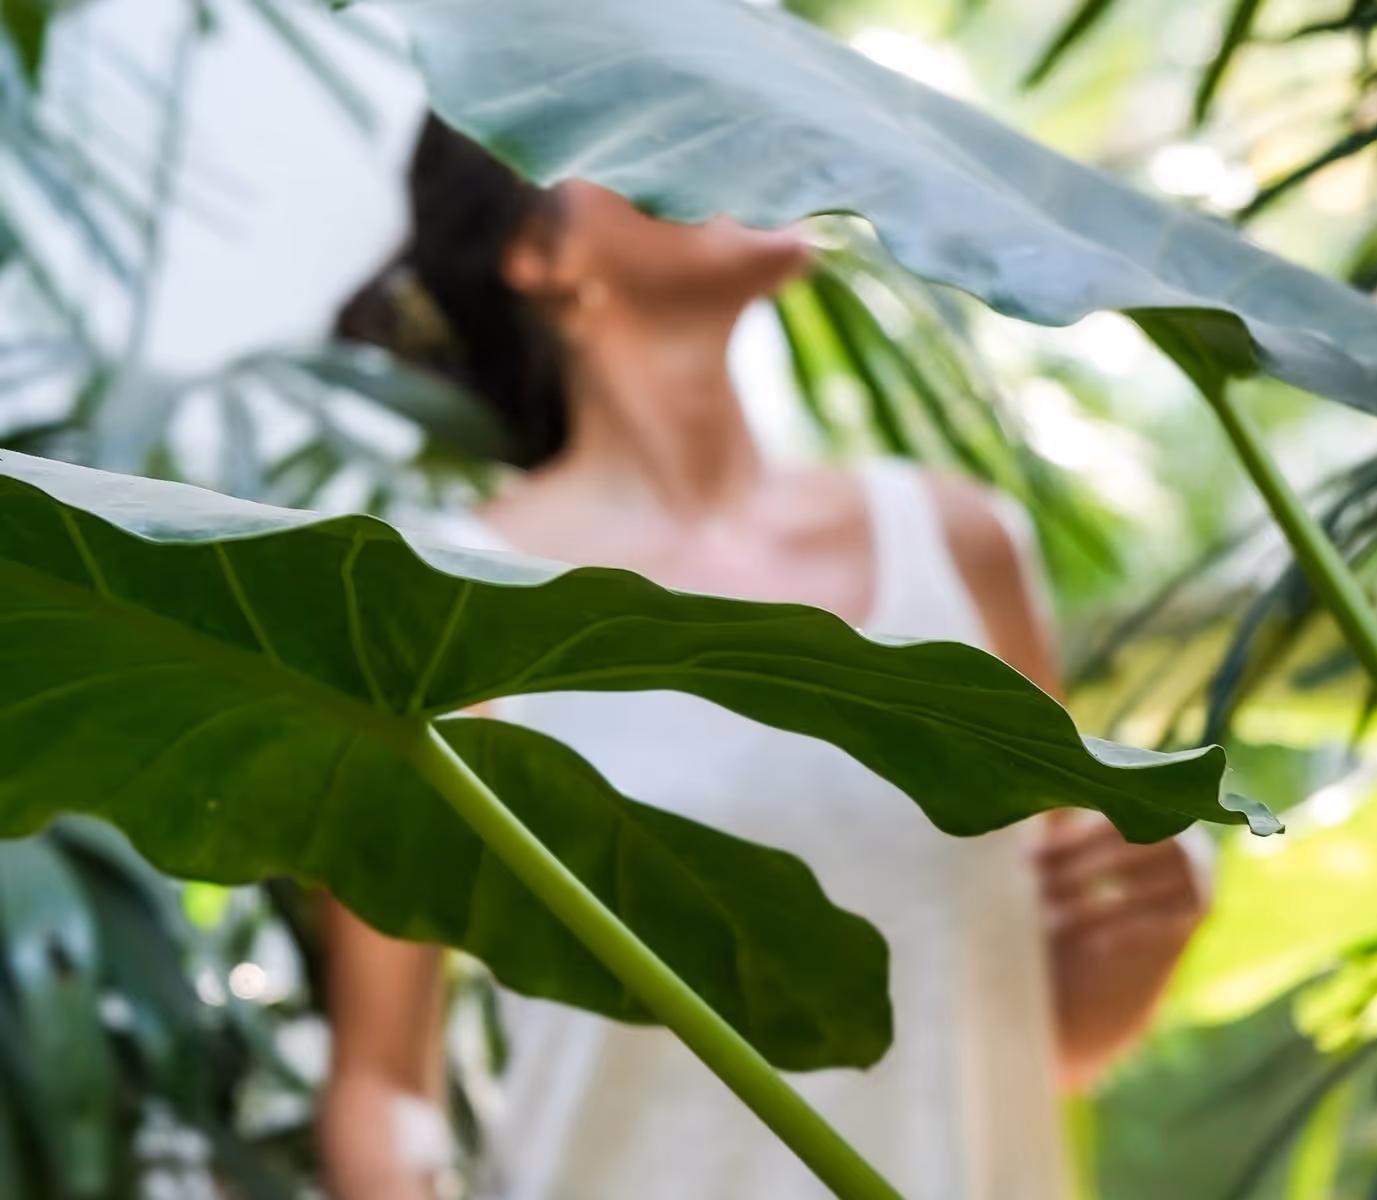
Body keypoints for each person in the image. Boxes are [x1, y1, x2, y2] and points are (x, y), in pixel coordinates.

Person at [320, 115, 1210, 1200]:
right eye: (647, 120)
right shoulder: (443, 609)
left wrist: (1146, 937)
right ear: (541, 253)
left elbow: (1025, 1042)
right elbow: (382, 1084)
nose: (727, 135)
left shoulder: (961, 548)